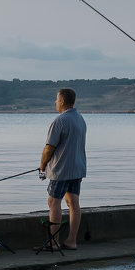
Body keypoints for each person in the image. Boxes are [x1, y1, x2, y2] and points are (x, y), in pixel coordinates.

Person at [39, 87, 87, 249]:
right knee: (73, 202)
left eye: (56, 99)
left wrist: (42, 164)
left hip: (61, 170)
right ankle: (71, 241)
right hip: (77, 168)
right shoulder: (80, 119)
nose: (55, 102)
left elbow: (49, 147)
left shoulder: (60, 121)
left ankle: (53, 242)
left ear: (62, 101)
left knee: (53, 201)